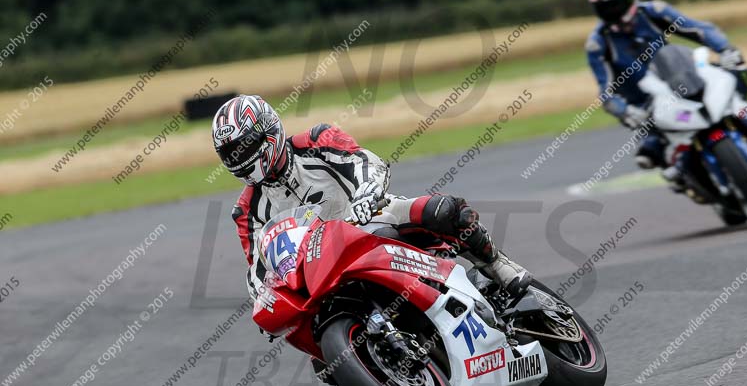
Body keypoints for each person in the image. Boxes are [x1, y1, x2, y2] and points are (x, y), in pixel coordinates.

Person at [212, 95, 533, 312]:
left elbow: (365, 162)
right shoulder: (245, 211)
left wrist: (366, 193)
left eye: (244, 146)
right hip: (321, 271)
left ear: (267, 132)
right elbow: (259, 265)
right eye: (230, 153)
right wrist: (263, 295)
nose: (238, 158)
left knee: (444, 211)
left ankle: (497, 264)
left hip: (371, 219)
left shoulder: (314, 141)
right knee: (323, 358)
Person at [585, 0, 747, 187]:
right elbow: (605, 90)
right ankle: (677, 169)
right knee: (648, 152)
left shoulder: (654, 12)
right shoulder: (598, 44)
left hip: (677, 76)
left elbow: (699, 29)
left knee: (738, 74)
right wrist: (622, 110)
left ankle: (743, 115)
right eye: (605, 7)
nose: (612, 10)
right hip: (643, 101)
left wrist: (726, 49)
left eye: (617, 3)